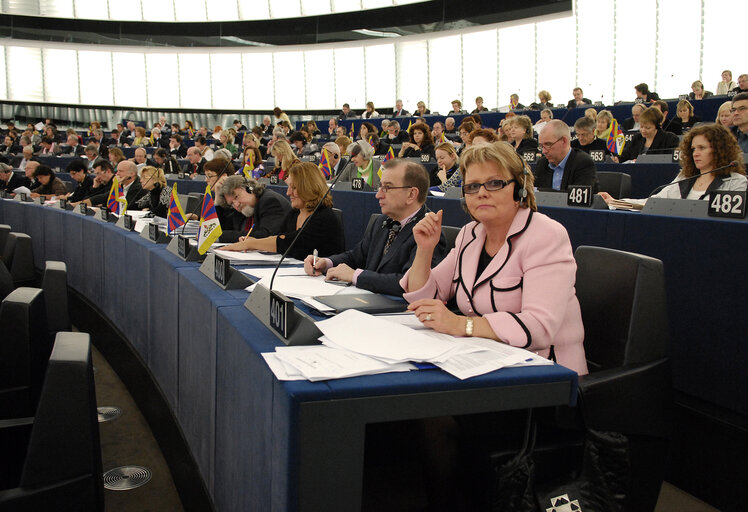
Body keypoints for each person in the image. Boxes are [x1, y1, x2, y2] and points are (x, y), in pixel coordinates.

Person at [401, 141, 587, 374]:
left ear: (519, 188)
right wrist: (425, 249)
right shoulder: (471, 233)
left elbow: (539, 327)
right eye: (472, 186)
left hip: (546, 373)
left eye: (495, 183)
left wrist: (460, 324)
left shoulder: (546, 235)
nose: (481, 193)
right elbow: (424, 298)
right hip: (486, 361)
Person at [305, 159, 446, 296]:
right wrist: (326, 263)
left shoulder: (428, 232)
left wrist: (355, 276)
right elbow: (356, 256)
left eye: (387, 188)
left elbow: (407, 283)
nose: (378, 195)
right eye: (380, 187)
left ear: (411, 194)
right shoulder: (382, 221)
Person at [600, 123, 746, 205]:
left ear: (720, 150)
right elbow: (653, 203)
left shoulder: (736, 182)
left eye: (702, 148)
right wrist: (616, 202)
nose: (695, 153)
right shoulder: (685, 177)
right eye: (693, 149)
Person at [221, 162, 344, 259]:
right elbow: (277, 237)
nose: (288, 192)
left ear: (308, 187)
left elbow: (288, 243)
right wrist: (255, 241)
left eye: (294, 187)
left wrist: (249, 244)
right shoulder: (295, 213)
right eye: (288, 187)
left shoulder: (323, 217)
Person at [215, 174, 291, 242]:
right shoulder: (242, 210)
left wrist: (221, 236)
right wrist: (217, 201)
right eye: (231, 203)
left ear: (249, 189)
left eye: (236, 197)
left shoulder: (270, 202)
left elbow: (265, 236)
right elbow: (221, 228)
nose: (236, 204)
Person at [535, 120, 599, 192]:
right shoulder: (542, 163)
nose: (544, 151)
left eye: (548, 144)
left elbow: (577, 198)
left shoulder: (583, 163)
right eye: (541, 146)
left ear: (564, 141)